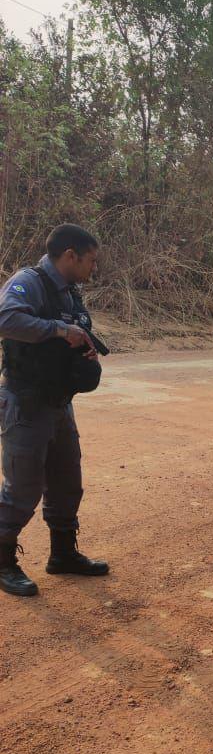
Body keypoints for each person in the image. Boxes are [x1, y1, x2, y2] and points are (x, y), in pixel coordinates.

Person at [0, 223, 110, 597]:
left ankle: (62, 554)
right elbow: (6, 320)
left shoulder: (69, 292)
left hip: (59, 403)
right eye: (90, 261)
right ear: (69, 256)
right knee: (22, 488)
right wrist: (61, 332)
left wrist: (81, 345)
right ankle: (2, 562)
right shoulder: (28, 282)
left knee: (67, 482)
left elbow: (70, 331)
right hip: (27, 402)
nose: (93, 268)